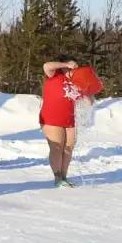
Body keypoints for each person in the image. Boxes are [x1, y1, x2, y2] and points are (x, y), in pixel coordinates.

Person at [39, 58, 85, 188]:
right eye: (70, 67)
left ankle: (64, 177)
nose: (72, 70)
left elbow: (86, 98)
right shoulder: (54, 75)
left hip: (69, 120)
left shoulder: (76, 82)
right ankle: (57, 178)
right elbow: (46, 65)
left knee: (68, 148)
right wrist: (66, 64)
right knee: (57, 147)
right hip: (51, 119)